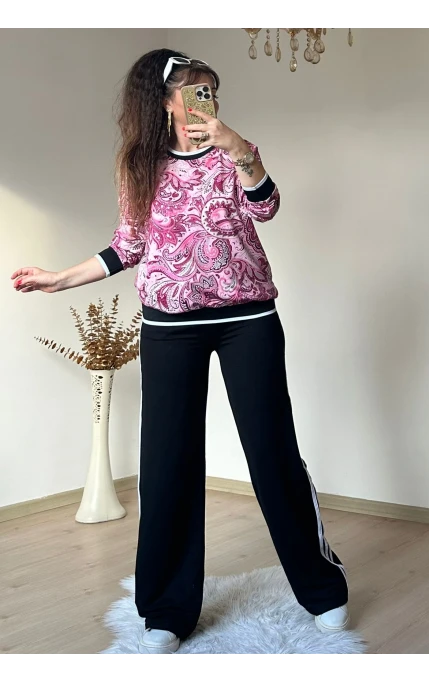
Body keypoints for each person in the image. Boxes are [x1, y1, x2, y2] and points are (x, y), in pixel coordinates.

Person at [11, 49, 349, 655]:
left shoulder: (233, 151)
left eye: (209, 90)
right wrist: (60, 279)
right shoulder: (138, 164)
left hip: (248, 319)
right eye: (192, 90)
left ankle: (322, 588)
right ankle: (167, 608)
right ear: (164, 101)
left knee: (272, 450)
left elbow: (266, 206)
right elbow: (128, 245)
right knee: (166, 463)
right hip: (168, 326)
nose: (203, 100)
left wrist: (238, 147)